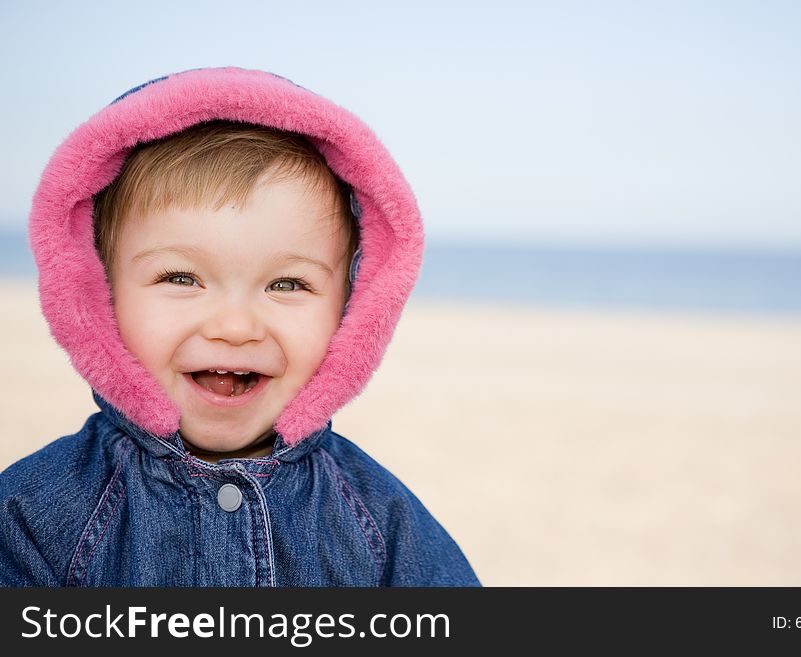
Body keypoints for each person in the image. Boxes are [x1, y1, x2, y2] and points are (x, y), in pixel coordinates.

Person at [0, 67, 480, 586]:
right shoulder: (33, 515)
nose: (235, 326)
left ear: (351, 308)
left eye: (288, 285)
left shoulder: (381, 523)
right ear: (99, 297)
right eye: (181, 277)